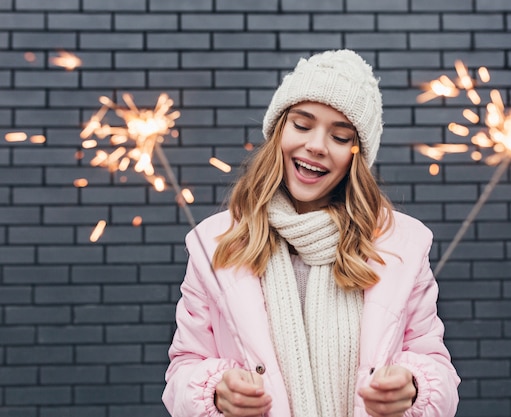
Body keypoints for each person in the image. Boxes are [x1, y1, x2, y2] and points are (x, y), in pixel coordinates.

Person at [162, 49, 460, 417]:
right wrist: (214, 392)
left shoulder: (399, 247)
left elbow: (437, 367)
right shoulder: (216, 246)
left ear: (357, 156)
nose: (316, 146)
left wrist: (414, 387)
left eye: (339, 137)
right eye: (302, 125)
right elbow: (183, 369)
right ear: (278, 132)